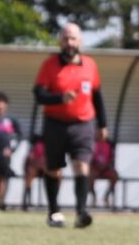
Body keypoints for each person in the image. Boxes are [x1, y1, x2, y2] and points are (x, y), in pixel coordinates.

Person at [33, 22, 108, 228]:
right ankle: (54, 211)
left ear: (80, 41)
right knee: (54, 169)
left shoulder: (90, 65)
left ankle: (81, 212)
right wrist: (60, 98)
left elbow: (97, 96)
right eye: (66, 38)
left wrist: (103, 124)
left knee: (81, 164)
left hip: (83, 124)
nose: (69, 42)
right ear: (60, 41)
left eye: (73, 38)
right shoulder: (50, 65)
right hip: (55, 123)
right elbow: (39, 95)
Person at [89, 137, 119, 209]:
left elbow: (112, 159)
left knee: (115, 176)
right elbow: (90, 158)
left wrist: (106, 167)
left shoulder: (110, 144)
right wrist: (95, 166)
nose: (101, 133)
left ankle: (106, 197)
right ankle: (94, 197)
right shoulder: (92, 142)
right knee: (89, 176)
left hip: (106, 168)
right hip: (95, 168)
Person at [21, 135, 48, 210]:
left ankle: (52, 201)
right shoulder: (34, 148)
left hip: (44, 166)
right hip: (35, 167)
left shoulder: (45, 146)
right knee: (28, 180)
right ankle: (27, 202)